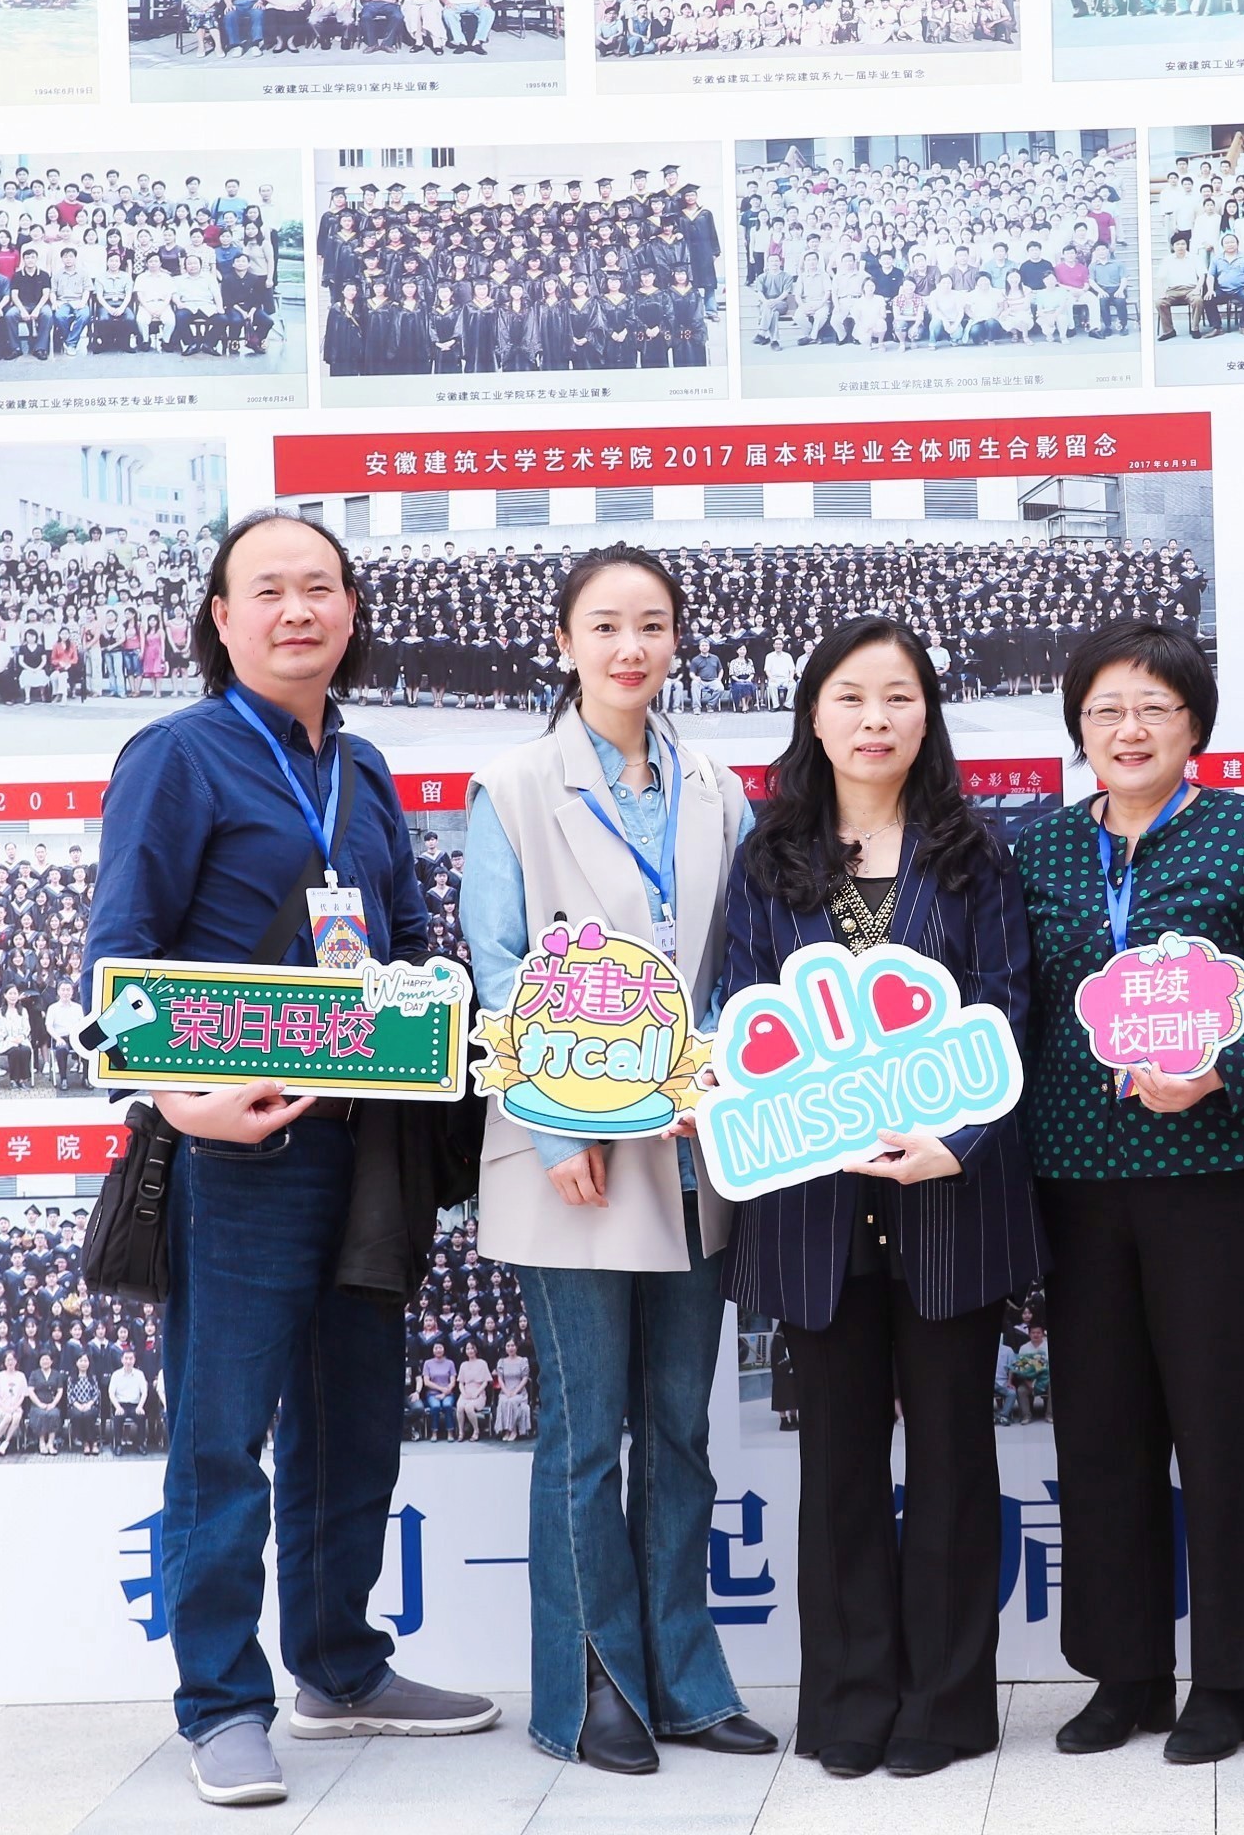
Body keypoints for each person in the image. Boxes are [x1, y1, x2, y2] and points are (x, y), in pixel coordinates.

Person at [80, 509, 498, 1808]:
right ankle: (220, 1703)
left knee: (354, 1424)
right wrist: (183, 1103)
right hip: (237, 1155)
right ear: (222, 618)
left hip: (366, 1150)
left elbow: (412, 942)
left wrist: (438, 1013)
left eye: (319, 586)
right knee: (222, 1438)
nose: (297, 609)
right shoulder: (178, 755)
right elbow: (117, 958)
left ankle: (342, 1665)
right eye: (267, 589)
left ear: (351, 611)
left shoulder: (362, 768)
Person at [459, 545, 776, 1774]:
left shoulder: (718, 787)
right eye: (604, 624)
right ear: (565, 642)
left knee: (680, 1431)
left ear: (678, 639)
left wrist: (726, 1080)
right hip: (571, 1154)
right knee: (587, 1436)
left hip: (693, 1150)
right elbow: (498, 967)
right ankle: (592, 1684)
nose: (629, 646)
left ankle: (685, 1680)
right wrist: (554, 1123)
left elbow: (742, 954)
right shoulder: (514, 786)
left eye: (650, 623)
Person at [721, 617, 1039, 1781]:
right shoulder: (769, 858)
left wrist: (958, 1139)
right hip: (816, 1206)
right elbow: (740, 1012)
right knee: (840, 1465)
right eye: (851, 696)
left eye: (898, 696)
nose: (874, 718)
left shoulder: (975, 853)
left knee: (953, 1457)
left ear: (926, 715)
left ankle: (946, 1704)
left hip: (950, 1197)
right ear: (813, 714)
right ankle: (849, 1700)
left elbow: (1010, 1009)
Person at [1013, 621, 1244, 1764]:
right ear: (1079, 729)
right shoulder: (1043, 848)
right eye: (1106, 710)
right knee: (1101, 1432)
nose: (1129, 728)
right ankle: (1127, 1671)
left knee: (1223, 1427)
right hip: (1075, 1180)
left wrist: (1223, 1069)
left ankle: (1229, 1678)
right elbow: (1016, 1005)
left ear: (1194, 722)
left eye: (1154, 706)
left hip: (1209, 1176)